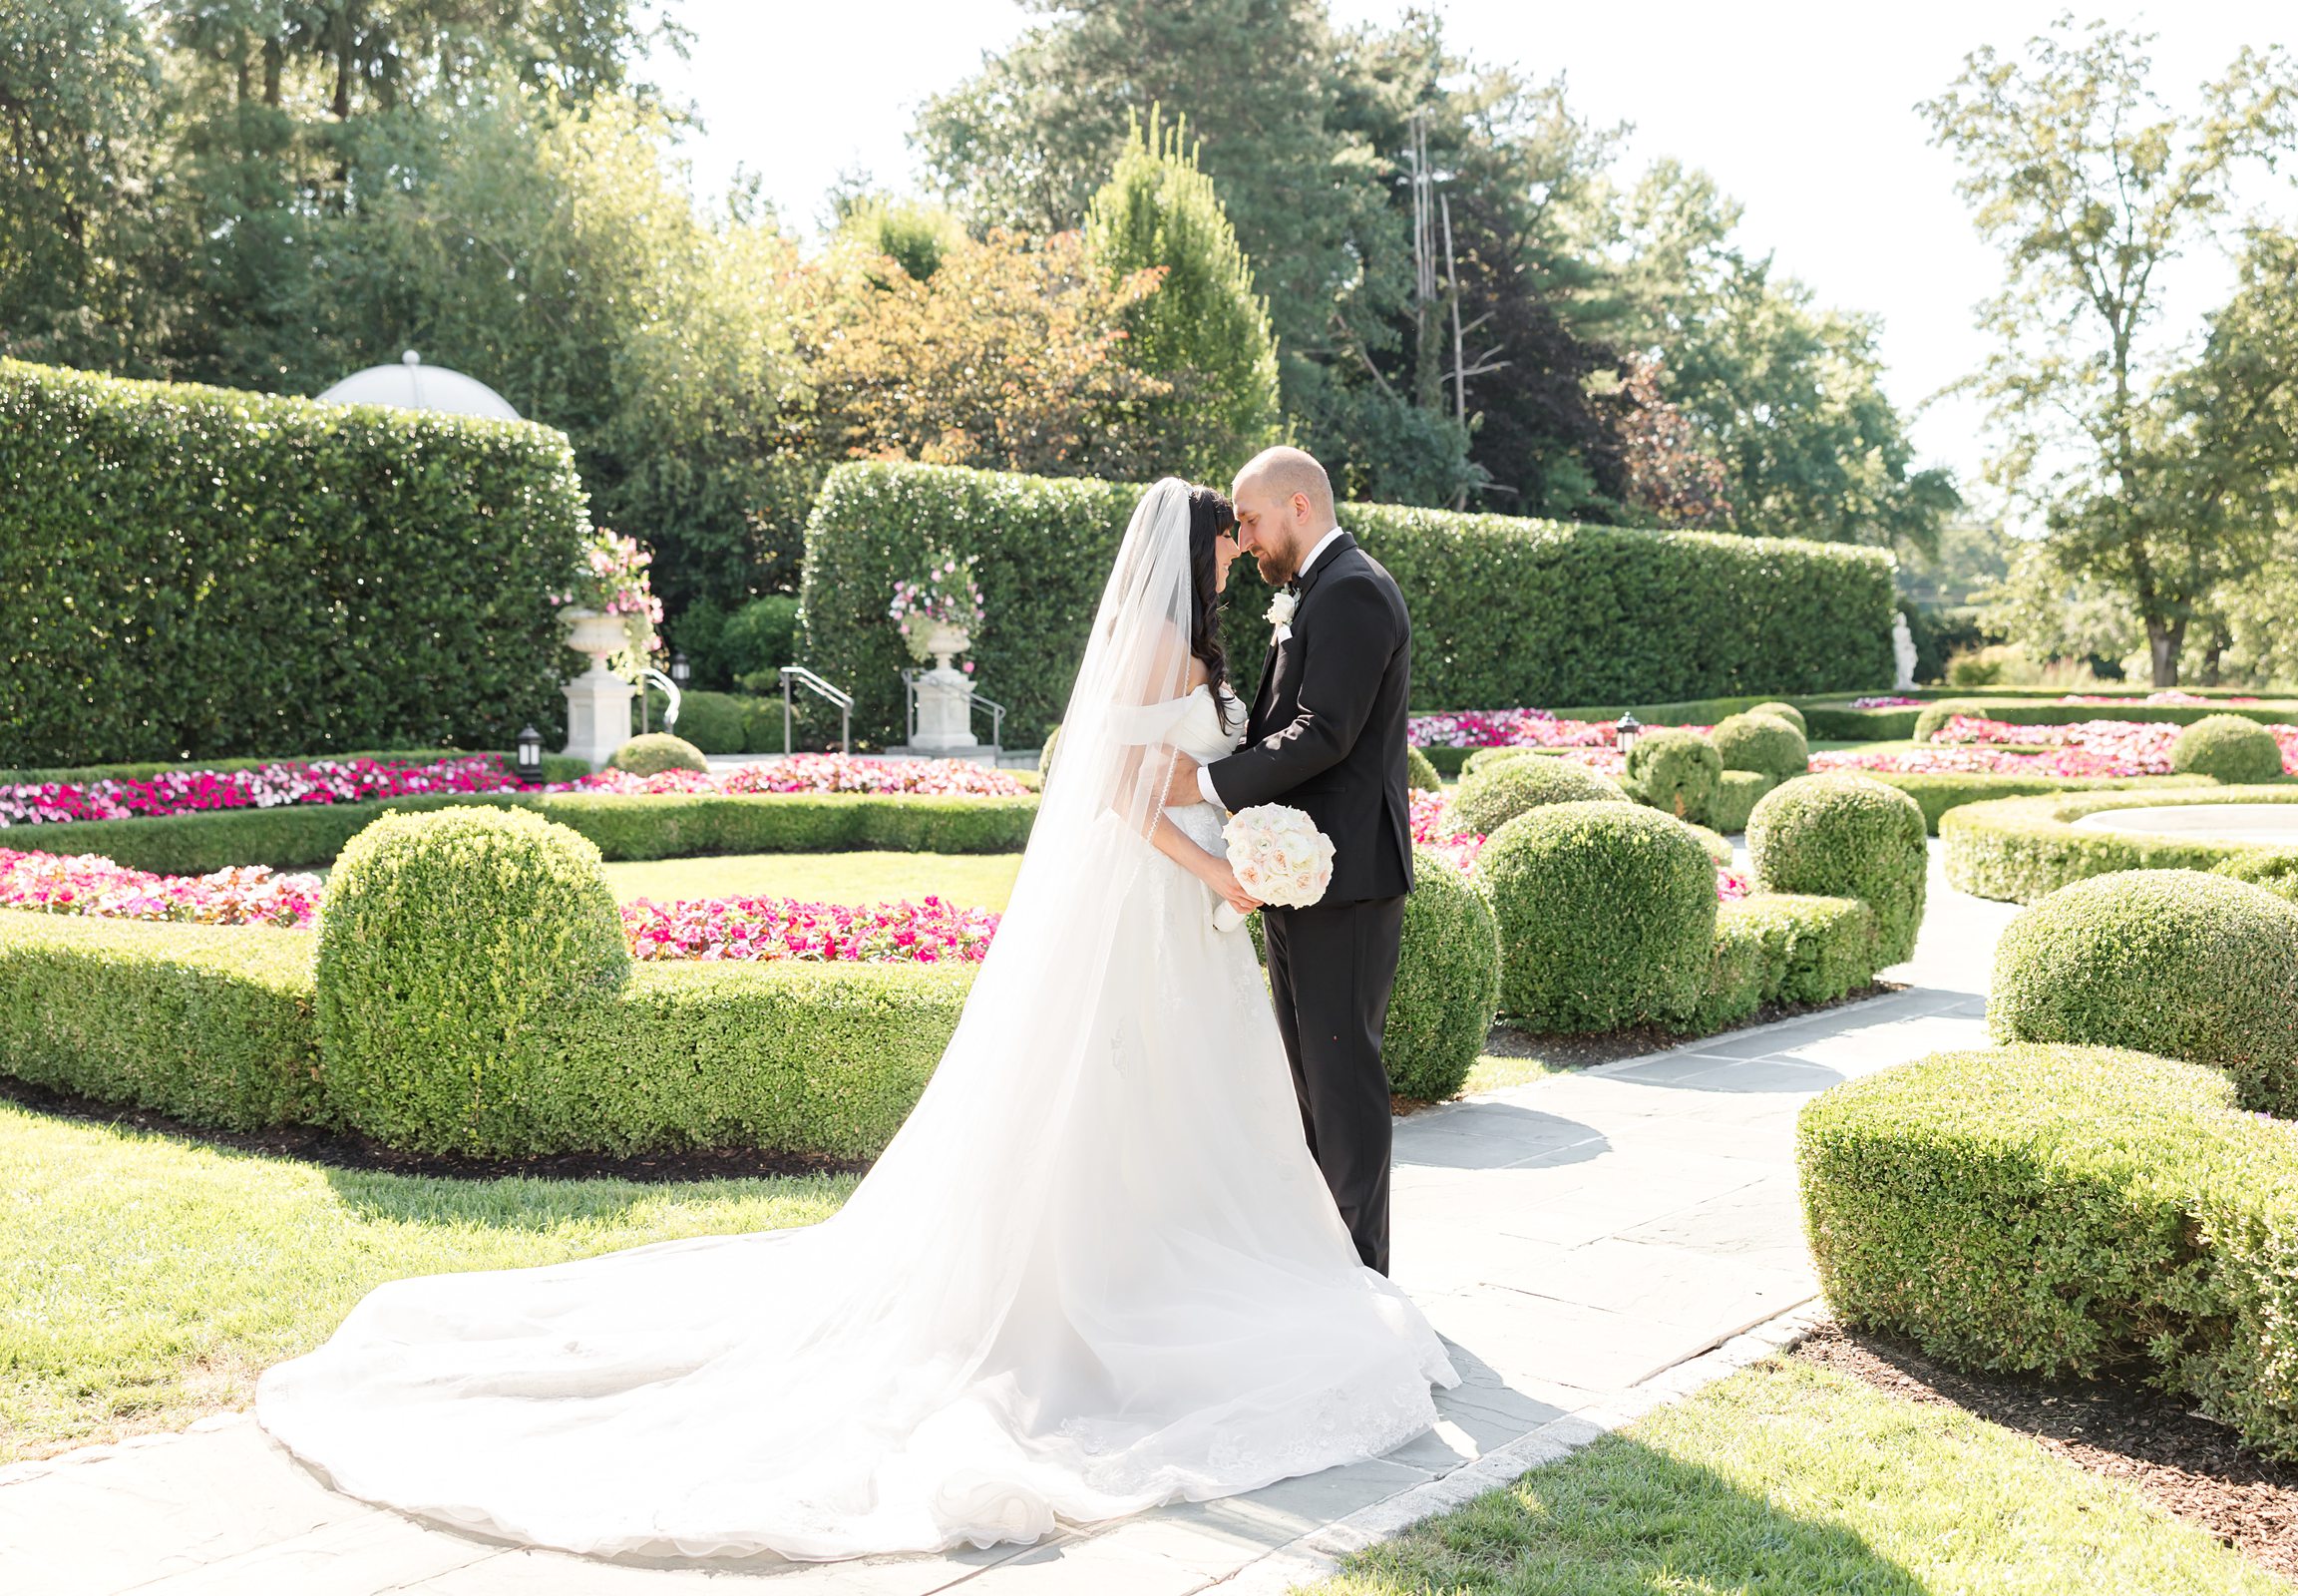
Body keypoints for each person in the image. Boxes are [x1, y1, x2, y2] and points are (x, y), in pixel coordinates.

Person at [253, 478, 1456, 1564]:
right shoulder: (1159, 635)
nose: (1241, 553)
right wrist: (1220, 871)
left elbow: (1287, 747)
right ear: (1194, 545)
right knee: (1140, 1104)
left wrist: (1229, 851)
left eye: (1250, 529)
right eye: (1228, 535)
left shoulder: (1262, 620)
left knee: (1234, 1108)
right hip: (1162, 911)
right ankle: (1216, 1289)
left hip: (1205, 926)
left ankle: (1298, 1273)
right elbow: (1120, 786)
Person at [1164, 446, 1414, 1276]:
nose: (1247, 539)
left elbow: (1324, 731)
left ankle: (1363, 1274)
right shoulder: (1314, 593)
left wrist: (1204, 782)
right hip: (1299, 876)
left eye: (1254, 520)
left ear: (1299, 505)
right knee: (1310, 1082)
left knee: (1342, 1085)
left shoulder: (1351, 592)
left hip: (1345, 881)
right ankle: (1326, 1271)